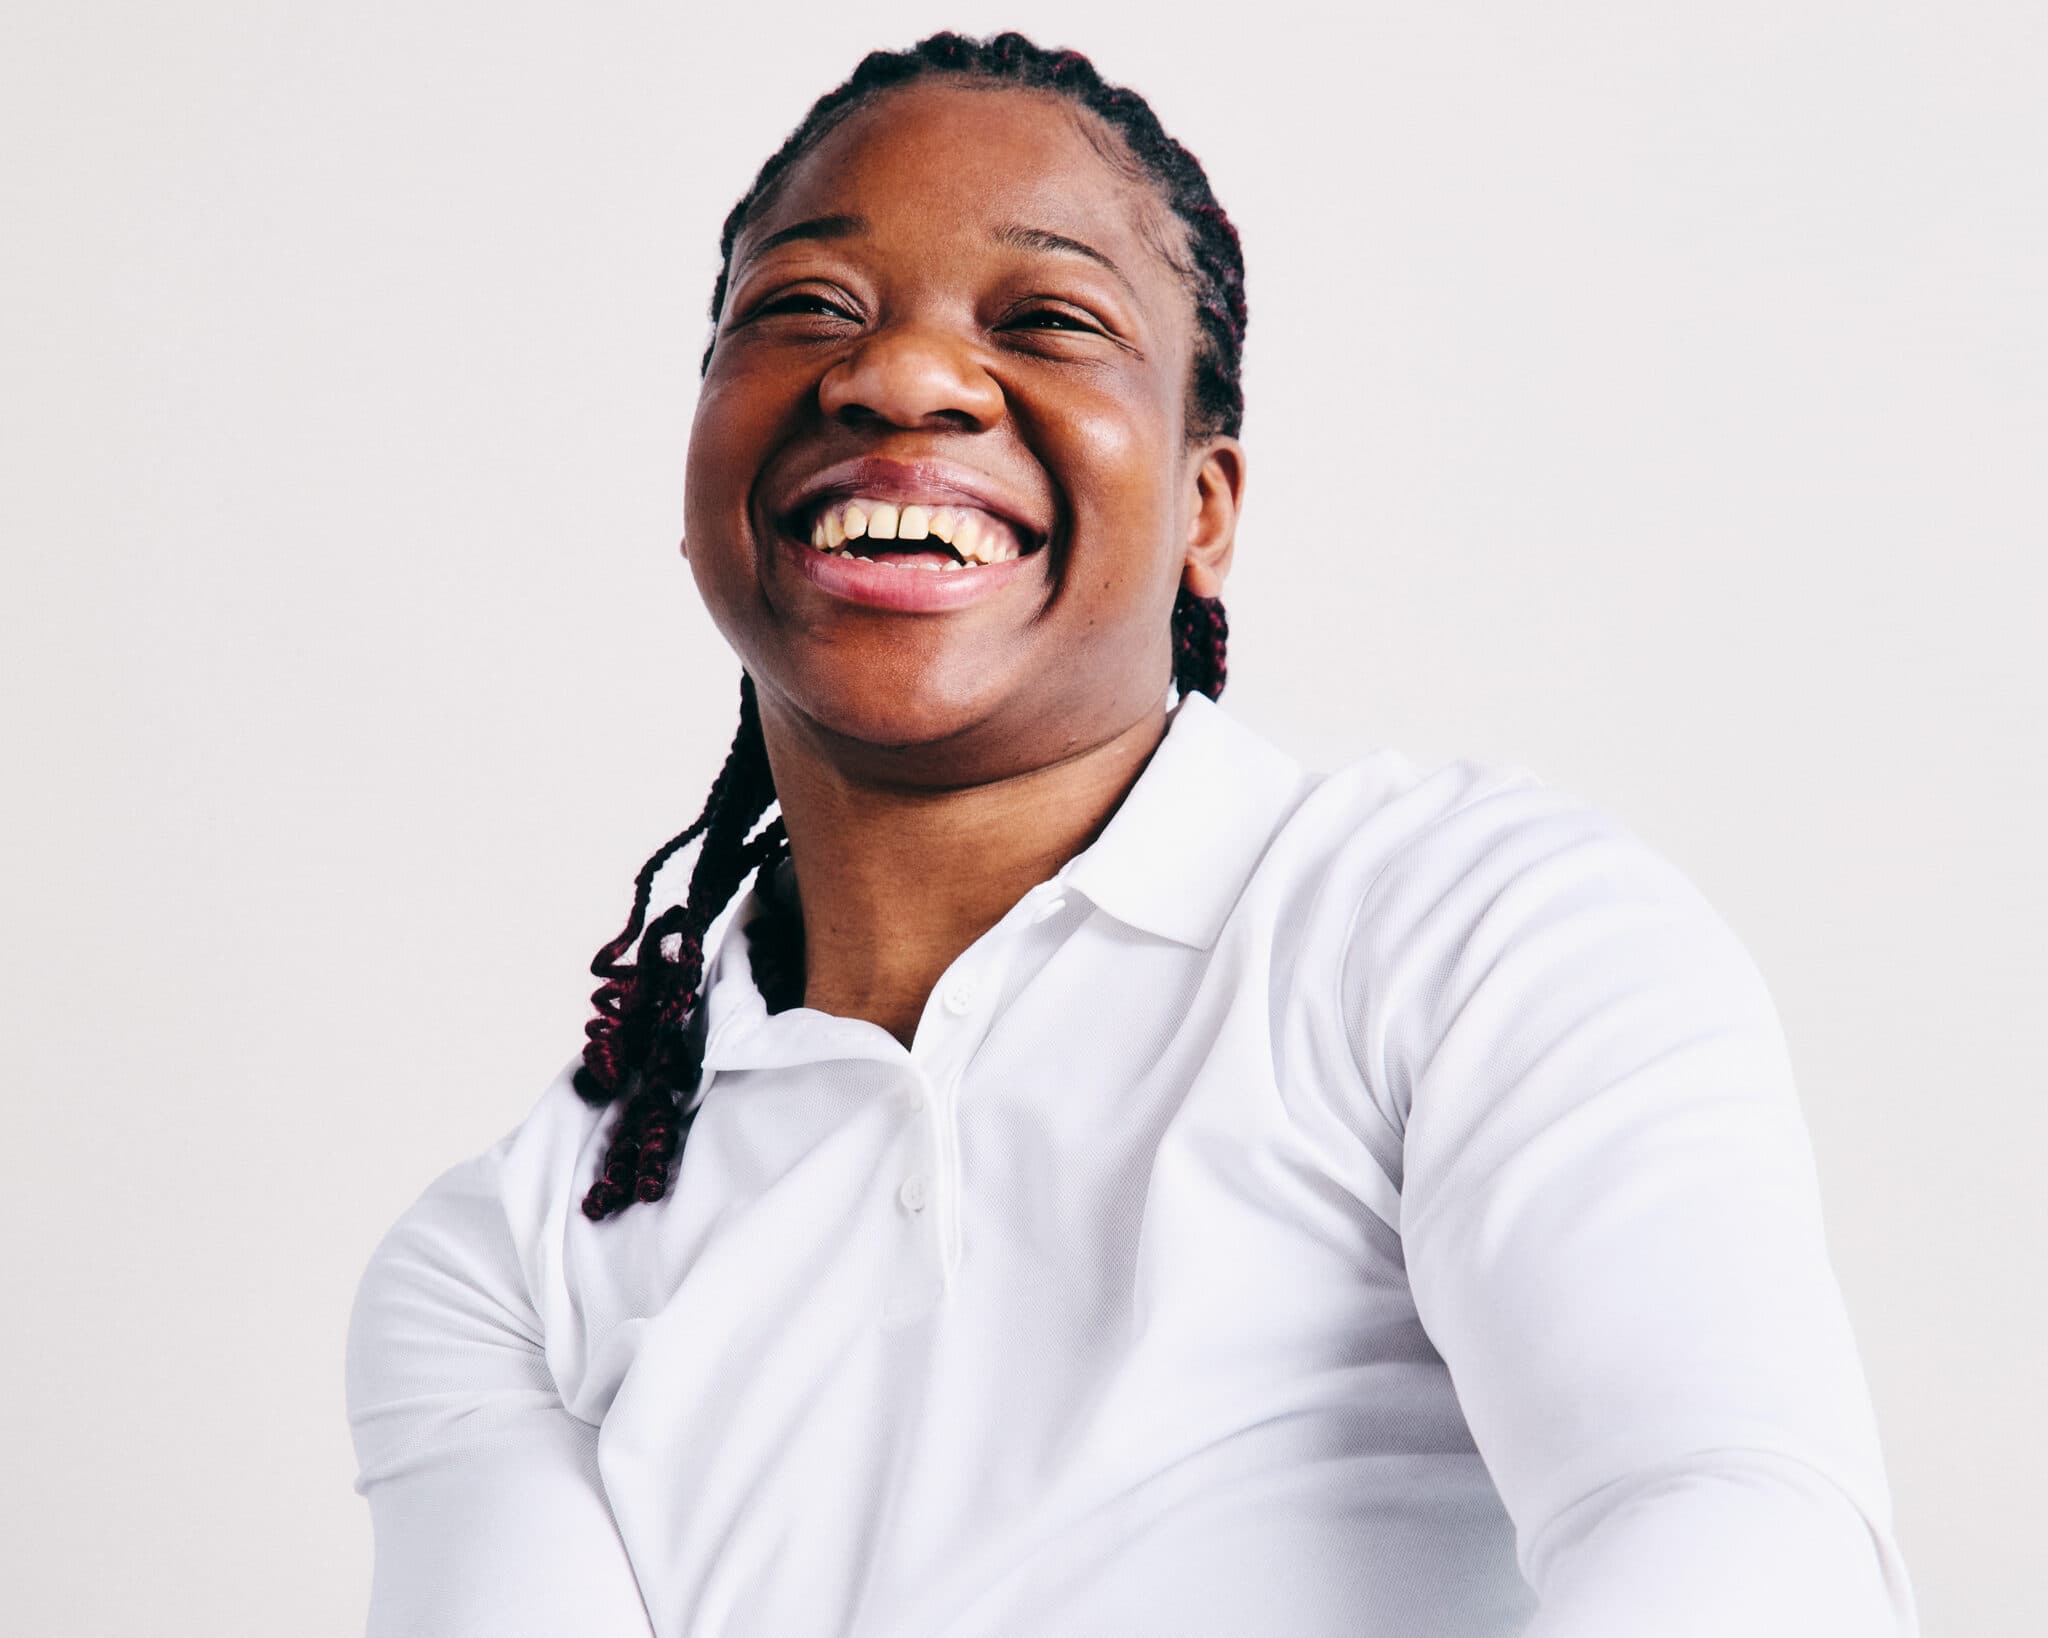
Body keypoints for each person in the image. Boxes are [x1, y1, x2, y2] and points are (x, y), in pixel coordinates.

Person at [345, 30, 1919, 1638]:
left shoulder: (1468, 931)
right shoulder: (512, 1255)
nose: (898, 377)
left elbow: (1737, 1529)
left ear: (1205, 511)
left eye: (1048, 321)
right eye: (806, 308)